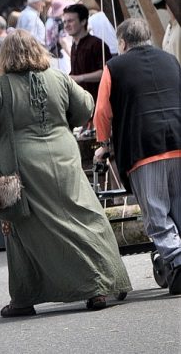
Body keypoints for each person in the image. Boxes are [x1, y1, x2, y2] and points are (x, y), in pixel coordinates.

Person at [0, 30, 132, 317]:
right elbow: (85, 109)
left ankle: (24, 298)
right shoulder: (58, 78)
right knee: (83, 215)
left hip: (24, 167)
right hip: (65, 158)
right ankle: (100, 285)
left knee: (24, 228)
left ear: (5, 56)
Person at [93, 18, 181, 295]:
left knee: (156, 210)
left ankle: (177, 261)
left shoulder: (114, 67)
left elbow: (102, 113)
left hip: (144, 146)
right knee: (179, 206)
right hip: (179, 139)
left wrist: (103, 143)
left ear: (122, 42)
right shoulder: (170, 60)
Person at [63, 4, 111, 104]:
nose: (66, 25)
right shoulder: (74, 45)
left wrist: (80, 78)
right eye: (65, 21)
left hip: (98, 102)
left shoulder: (97, 44)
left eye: (70, 21)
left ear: (83, 21)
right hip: (81, 103)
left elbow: (106, 72)